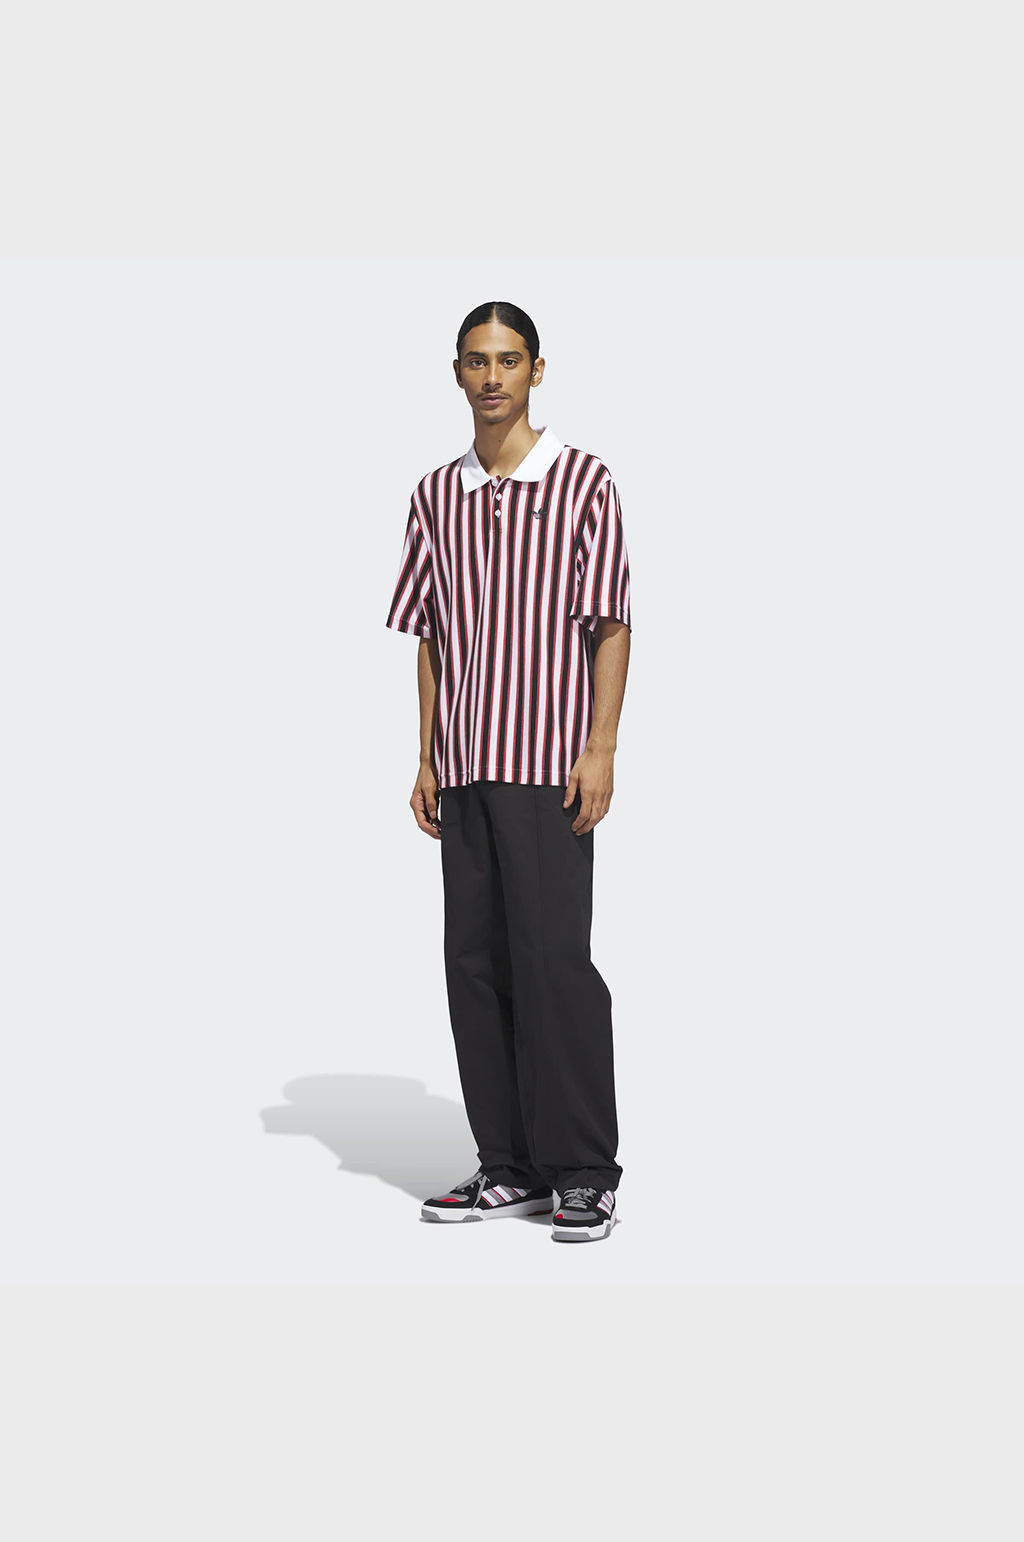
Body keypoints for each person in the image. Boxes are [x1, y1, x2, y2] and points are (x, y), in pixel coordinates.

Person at [384, 300, 632, 1244]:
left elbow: (610, 623)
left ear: (537, 370)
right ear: (456, 372)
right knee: (476, 965)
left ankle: (585, 1171)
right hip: (465, 764)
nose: (493, 377)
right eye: (477, 361)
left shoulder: (583, 483)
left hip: (547, 762)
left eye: (510, 360)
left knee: (554, 962)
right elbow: (429, 634)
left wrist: (601, 747)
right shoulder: (435, 495)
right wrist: (425, 754)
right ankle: (509, 1166)